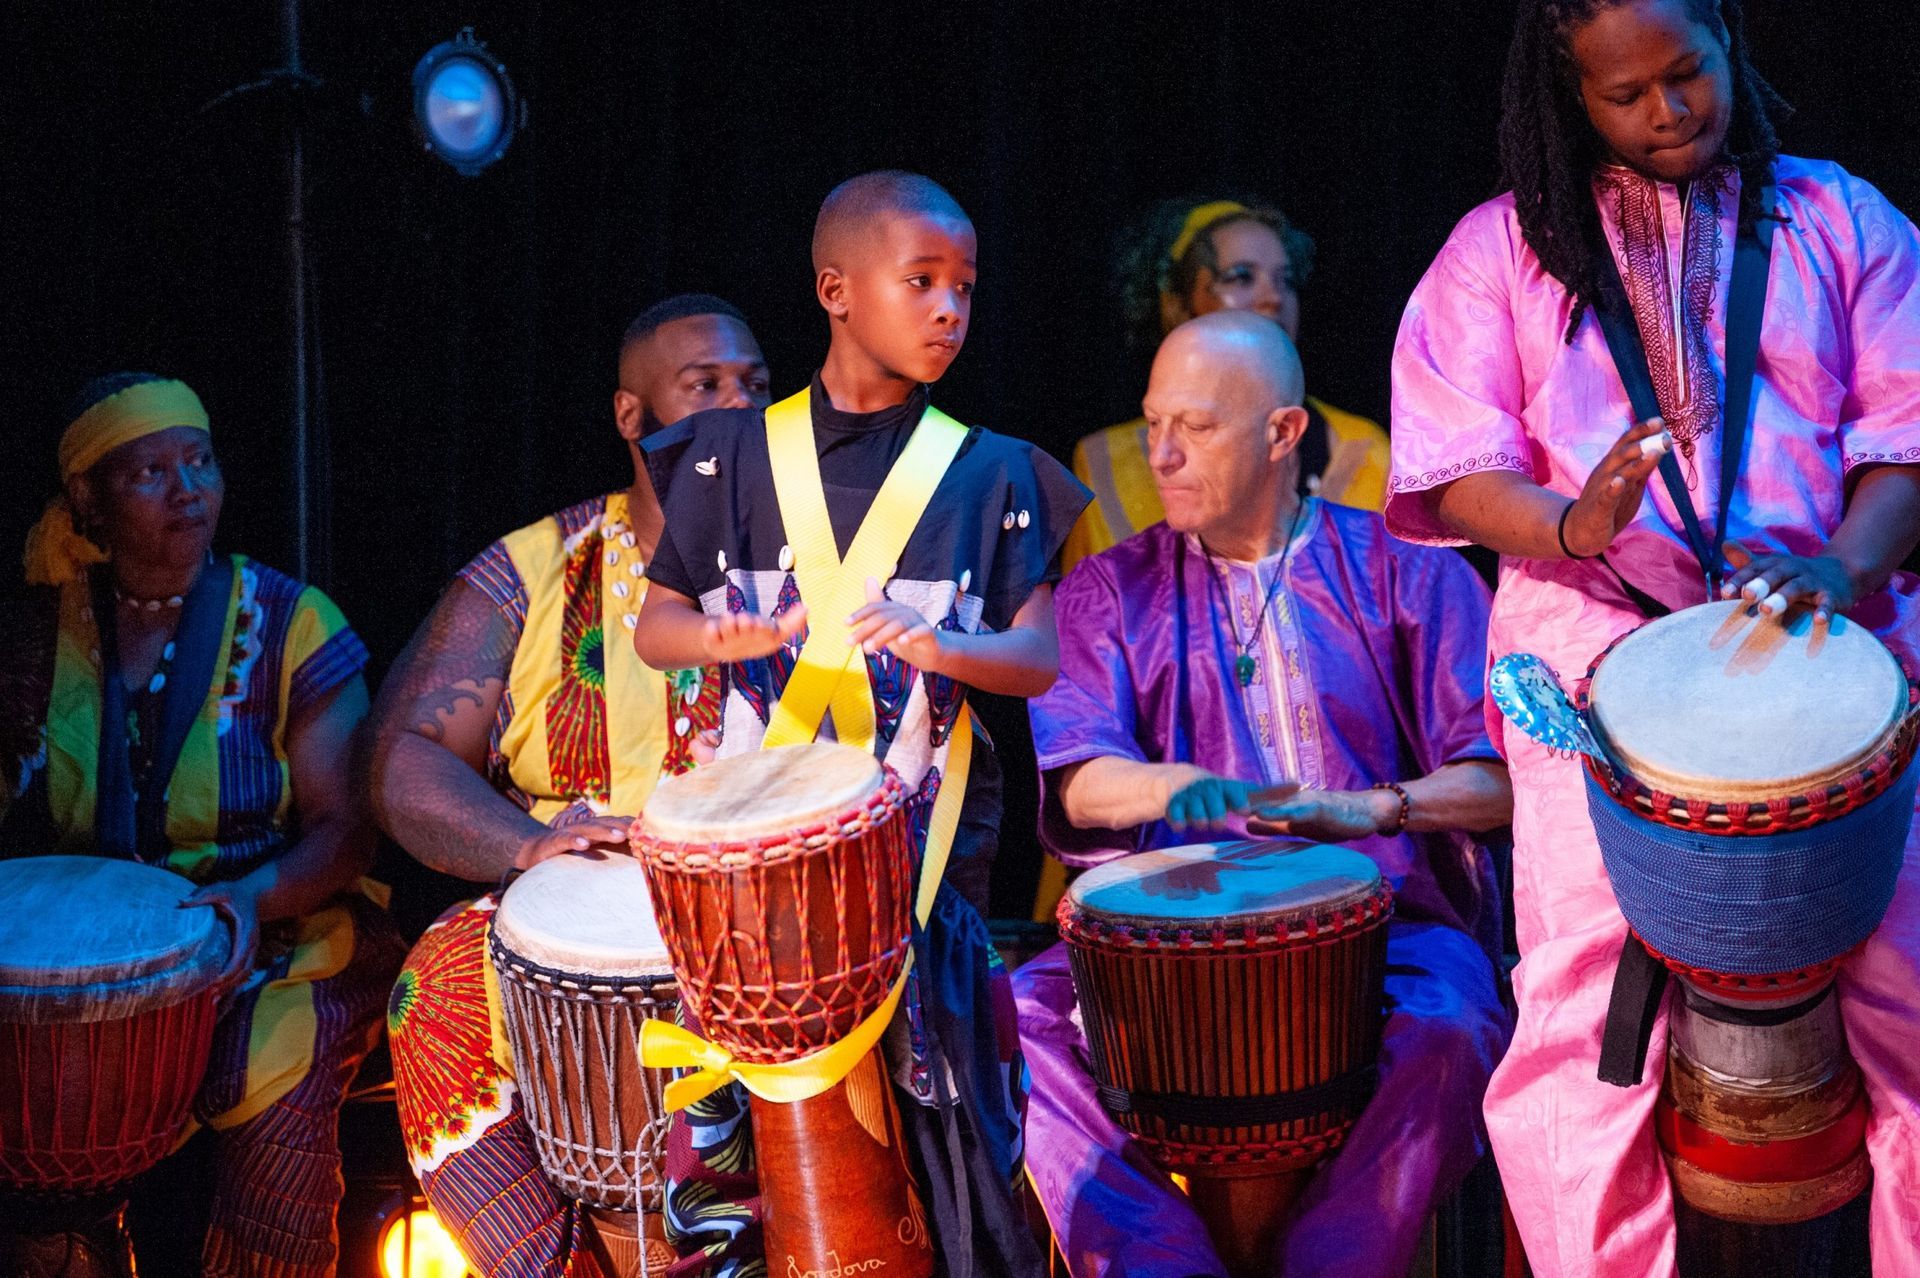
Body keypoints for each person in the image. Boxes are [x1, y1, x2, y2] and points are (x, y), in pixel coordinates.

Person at [1387, 2, 1920, 1273]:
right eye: (1628, 94)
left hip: (1824, 642)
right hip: (1588, 656)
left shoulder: (1842, 218)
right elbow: (1458, 472)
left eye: (1690, 74)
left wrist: (1846, 564)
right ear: (1574, 100)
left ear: (1733, 43)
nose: (1669, 110)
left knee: (1904, 984)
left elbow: (1905, 436)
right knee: (1578, 1013)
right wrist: (1572, 522)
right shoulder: (1502, 252)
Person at [632, 170, 1090, 1278]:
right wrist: (720, 642)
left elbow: (1037, 660)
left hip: (922, 883)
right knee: (758, 1200)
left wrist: (948, 648)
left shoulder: (995, 474)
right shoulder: (726, 456)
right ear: (836, 289)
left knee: (943, 1197)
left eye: (965, 289)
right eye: (921, 282)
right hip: (754, 900)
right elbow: (655, 628)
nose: (949, 310)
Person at [1016, 311, 1512, 1278]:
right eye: (1153, 423)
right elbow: (1079, 787)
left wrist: (1374, 810)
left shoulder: (1412, 571)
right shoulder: (1107, 593)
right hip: (1162, 954)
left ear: (1283, 434)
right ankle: (1158, 1264)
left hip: (1390, 929)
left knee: (1450, 1028)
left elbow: (1497, 781)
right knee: (1021, 1025)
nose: (1159, 455)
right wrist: (1176, 784)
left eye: (1194, 427)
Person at [367, 294, 769, 1276]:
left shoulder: (819, 565)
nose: (738, 408)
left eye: (755, 386)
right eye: (704, 385)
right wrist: (522, 846)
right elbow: (404, 756)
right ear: (633, 416)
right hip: (565, 922)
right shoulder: (536, 570)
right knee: (437, 988)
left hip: (767, 923)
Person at [0, 372, 403, 1276]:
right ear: (86, 498)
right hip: (98, 955)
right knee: (39, 1126)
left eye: (201, 461)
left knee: (274, 1101)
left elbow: (349, 830)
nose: (189, 490)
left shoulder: (294, 622)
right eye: (150, 472)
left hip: (280, 930)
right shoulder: (36, 632)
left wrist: (253, 898)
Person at [1062, 197, 1392, 573]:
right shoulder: (1105, 462)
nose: (1273, 298)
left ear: (1285, 431)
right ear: (1176, 304)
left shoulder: (1364, 451)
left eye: (1285, 280)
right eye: (1240, 276)